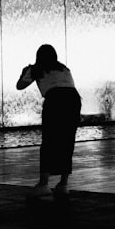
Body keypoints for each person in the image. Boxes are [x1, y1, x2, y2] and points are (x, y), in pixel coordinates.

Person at [17, 44, 81, 198]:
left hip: (55, 100)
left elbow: (20, 86)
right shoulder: (64, 68)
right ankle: (63, 184)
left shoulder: (37, 69)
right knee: (67, 141)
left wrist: (24, 73)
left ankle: (43, 184)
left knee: (49, 142)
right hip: (73, 100)